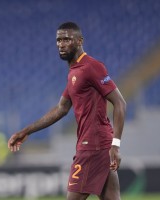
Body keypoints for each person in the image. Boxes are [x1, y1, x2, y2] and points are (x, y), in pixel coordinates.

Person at [8, 22, 126, 200]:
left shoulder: (91, 67)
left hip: (92, 147)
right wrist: (26, 131)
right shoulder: (74, 71)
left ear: (79, 41)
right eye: (58, 40)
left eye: (67, 39)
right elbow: (61, 108)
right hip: (98, 146)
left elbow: (120, 103)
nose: (61, 44)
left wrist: (115, 145)